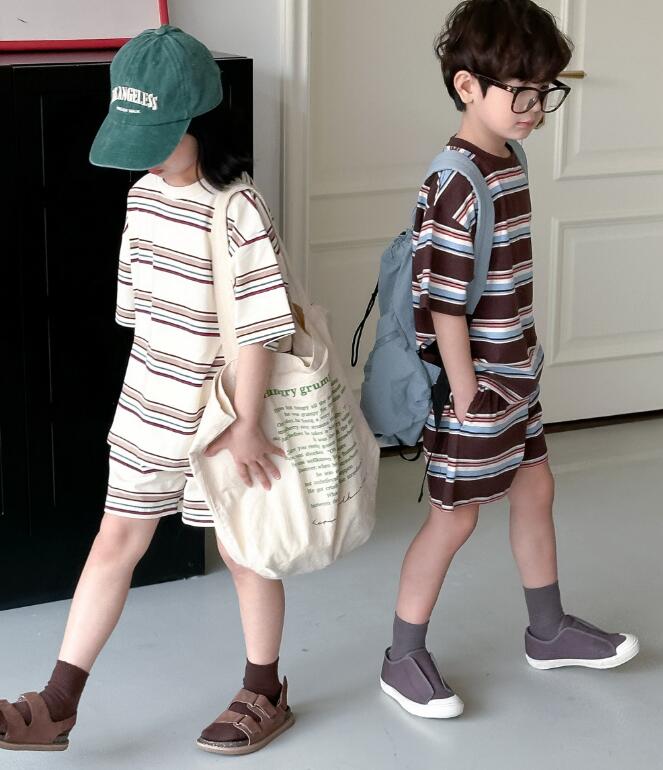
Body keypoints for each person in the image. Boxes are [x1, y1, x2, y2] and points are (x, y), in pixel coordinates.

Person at [1, 26, 296, 755]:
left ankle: (264, 690)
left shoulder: (237, 207)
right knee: (114, 542)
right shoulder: (140, 198)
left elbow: (261, 326)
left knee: (243, 553)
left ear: (202, 120)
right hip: (148, 408)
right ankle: (58, 704)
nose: (145, 153)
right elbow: (139, 312)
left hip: (223, 418)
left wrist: (247, 424)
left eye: (158, 136)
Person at [379, 0, 639, 720]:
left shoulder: (508, 159)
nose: (534, 109)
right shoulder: (456, 181)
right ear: (467, 86)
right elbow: (444, 303)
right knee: (454, 518)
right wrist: (465, 393)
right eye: (520, 93)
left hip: (515, 375)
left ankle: (547, 629)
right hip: (478, 387)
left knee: (534, 489)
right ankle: (401, 656)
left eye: (544, 92)